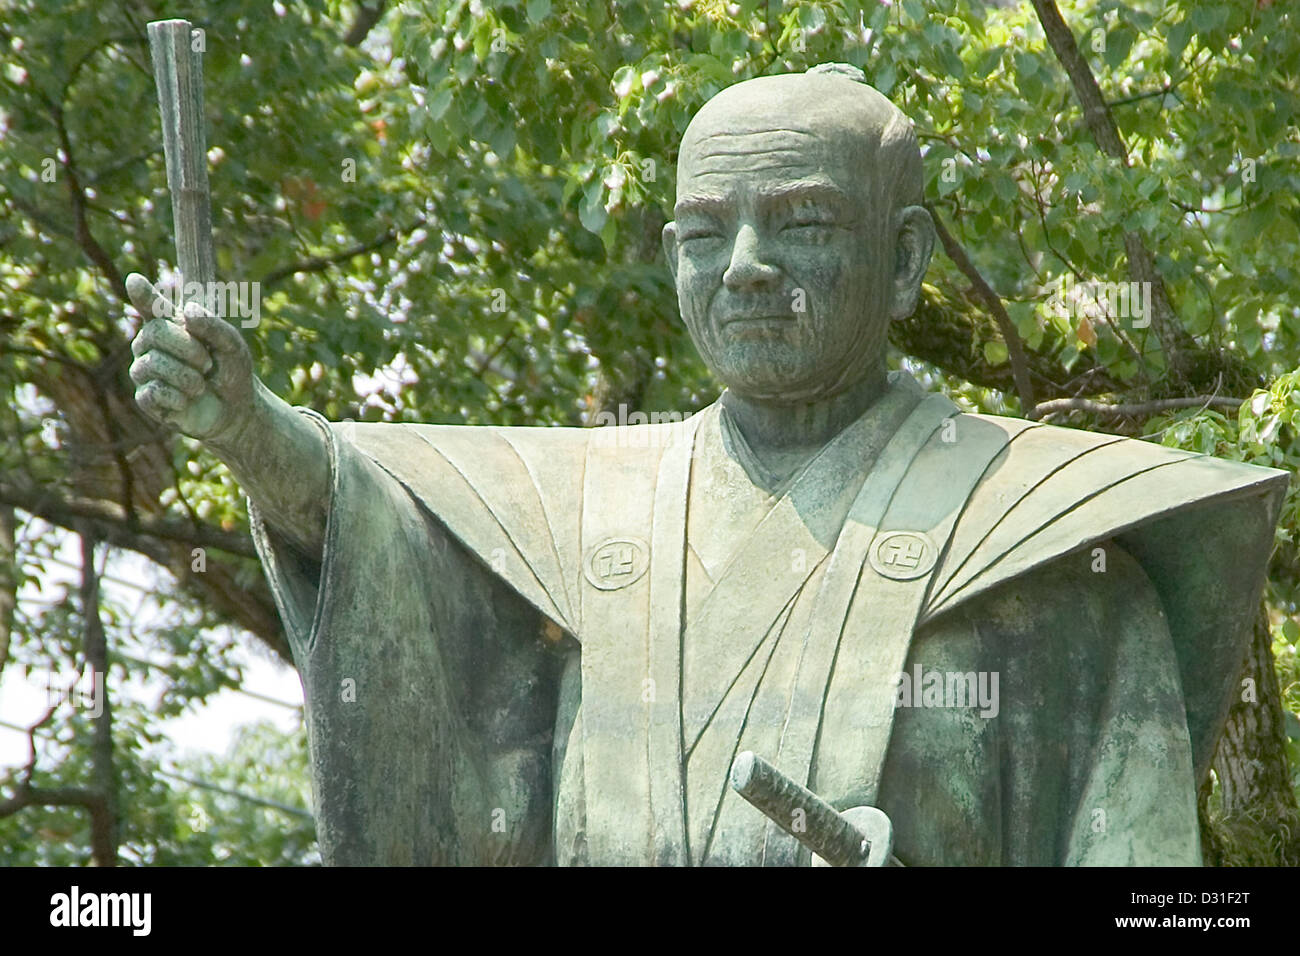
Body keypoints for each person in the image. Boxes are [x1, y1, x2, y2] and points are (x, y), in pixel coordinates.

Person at [127, 63, 1287, 865]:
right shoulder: (581, 516)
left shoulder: (1052, 554)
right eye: (701, 232)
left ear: (902, 260)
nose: (741, 265)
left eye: (801, 222)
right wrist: (251, 430)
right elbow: (390, 511)